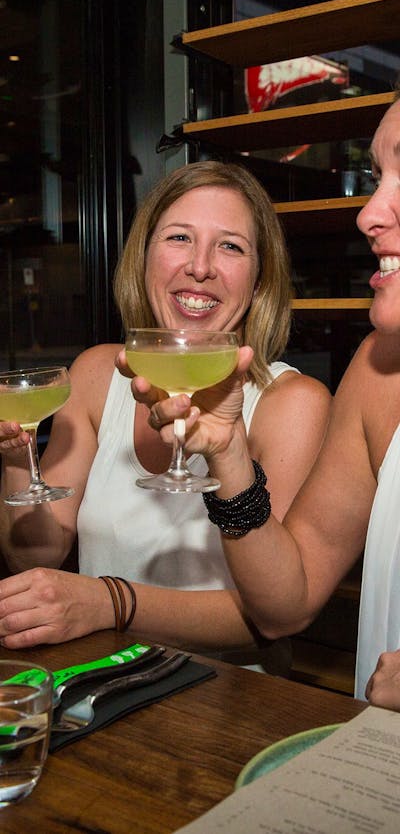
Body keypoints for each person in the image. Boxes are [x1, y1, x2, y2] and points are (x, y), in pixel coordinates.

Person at [0, 161, 330, 666]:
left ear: (259, 280)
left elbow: (270, 618)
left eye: (231, 246)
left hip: (230, 703)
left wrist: (108, 602)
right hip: (99, 684)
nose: (200, 266)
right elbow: (33, 557)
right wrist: (19, 458)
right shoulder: (93, 375)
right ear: (144, 258)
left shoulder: (293, 402)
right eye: (179, 237)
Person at [138, 94, 400, 709]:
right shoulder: (375, 372)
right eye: (378, 177)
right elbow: (288, 603)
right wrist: (229, 458)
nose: (368, 215)